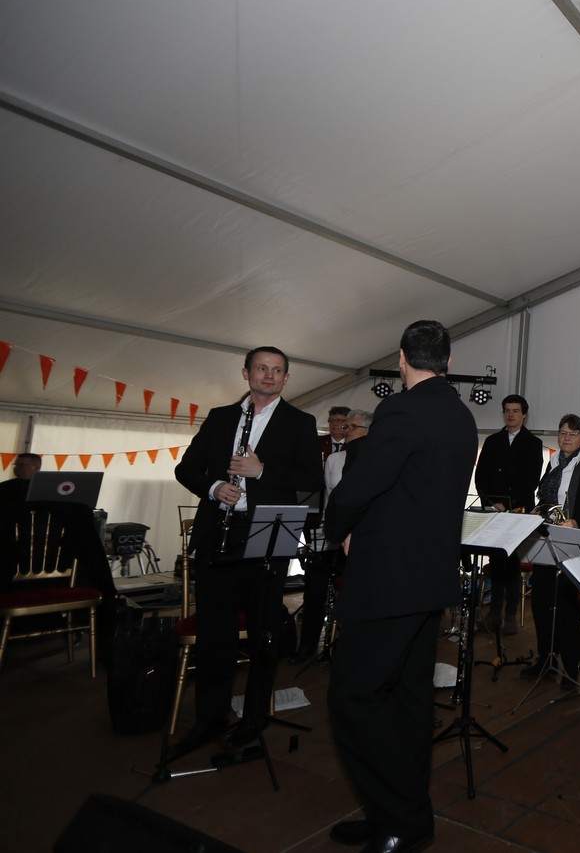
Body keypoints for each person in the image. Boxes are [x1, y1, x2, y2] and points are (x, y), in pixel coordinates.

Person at [323, 320, 477, 853]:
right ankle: (402, 816)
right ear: (449, 362)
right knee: (408, 703)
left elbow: (361, 485)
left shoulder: (401, 409)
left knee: (353, 698)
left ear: (402, 358)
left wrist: (339, 527)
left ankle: (398, 819)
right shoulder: (462, 416)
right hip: (429, 579)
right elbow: (416, 490)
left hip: (388, 579)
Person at [171, 346, 323, 758]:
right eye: (261, 368)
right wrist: (213, 487)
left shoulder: (300, 422)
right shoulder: (220, 417)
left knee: (263, 635)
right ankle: (209, 720)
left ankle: (255, 718)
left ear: (286, 378)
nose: (269, 375)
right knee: (214, 636)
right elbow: (186, 468)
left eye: (277, 370)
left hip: (266, 534)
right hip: (217, 534)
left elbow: (313, 479)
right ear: (246, 372)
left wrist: (262, 472)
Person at [519, 414, 580, 689]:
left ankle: (571, 664)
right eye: (562, 433)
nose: (566, 438)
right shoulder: (552, 463)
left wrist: (576, 520)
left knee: (567, 606)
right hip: (547, 539)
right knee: (541, 602)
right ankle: (546, 659)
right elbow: (545, 498)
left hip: (574, 542)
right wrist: (537, 511)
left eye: (572, 434)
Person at [291, 408, 372, 664]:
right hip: (331, 534)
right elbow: (328, 499)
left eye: (351, 427)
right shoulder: (335, 460)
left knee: (354, 592)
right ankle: (307, 644)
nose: (345, 431)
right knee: (314, 586)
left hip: (361, 539)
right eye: (345, 426)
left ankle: (346, 648)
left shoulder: (377, 459)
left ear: (368, 431)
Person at [474, 394, 543, 635]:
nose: (511, 414)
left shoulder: (533, 443)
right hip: (494, 511)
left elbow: (532, 479)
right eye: (507, 410)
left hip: (519, 512)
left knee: (512, 562)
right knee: (496, 561)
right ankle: (493, 613)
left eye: (515, 411)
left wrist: (510, 505)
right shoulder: (492, 441)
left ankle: (510, 615)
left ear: (524, 415)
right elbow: (481, 477)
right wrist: (491, 503)